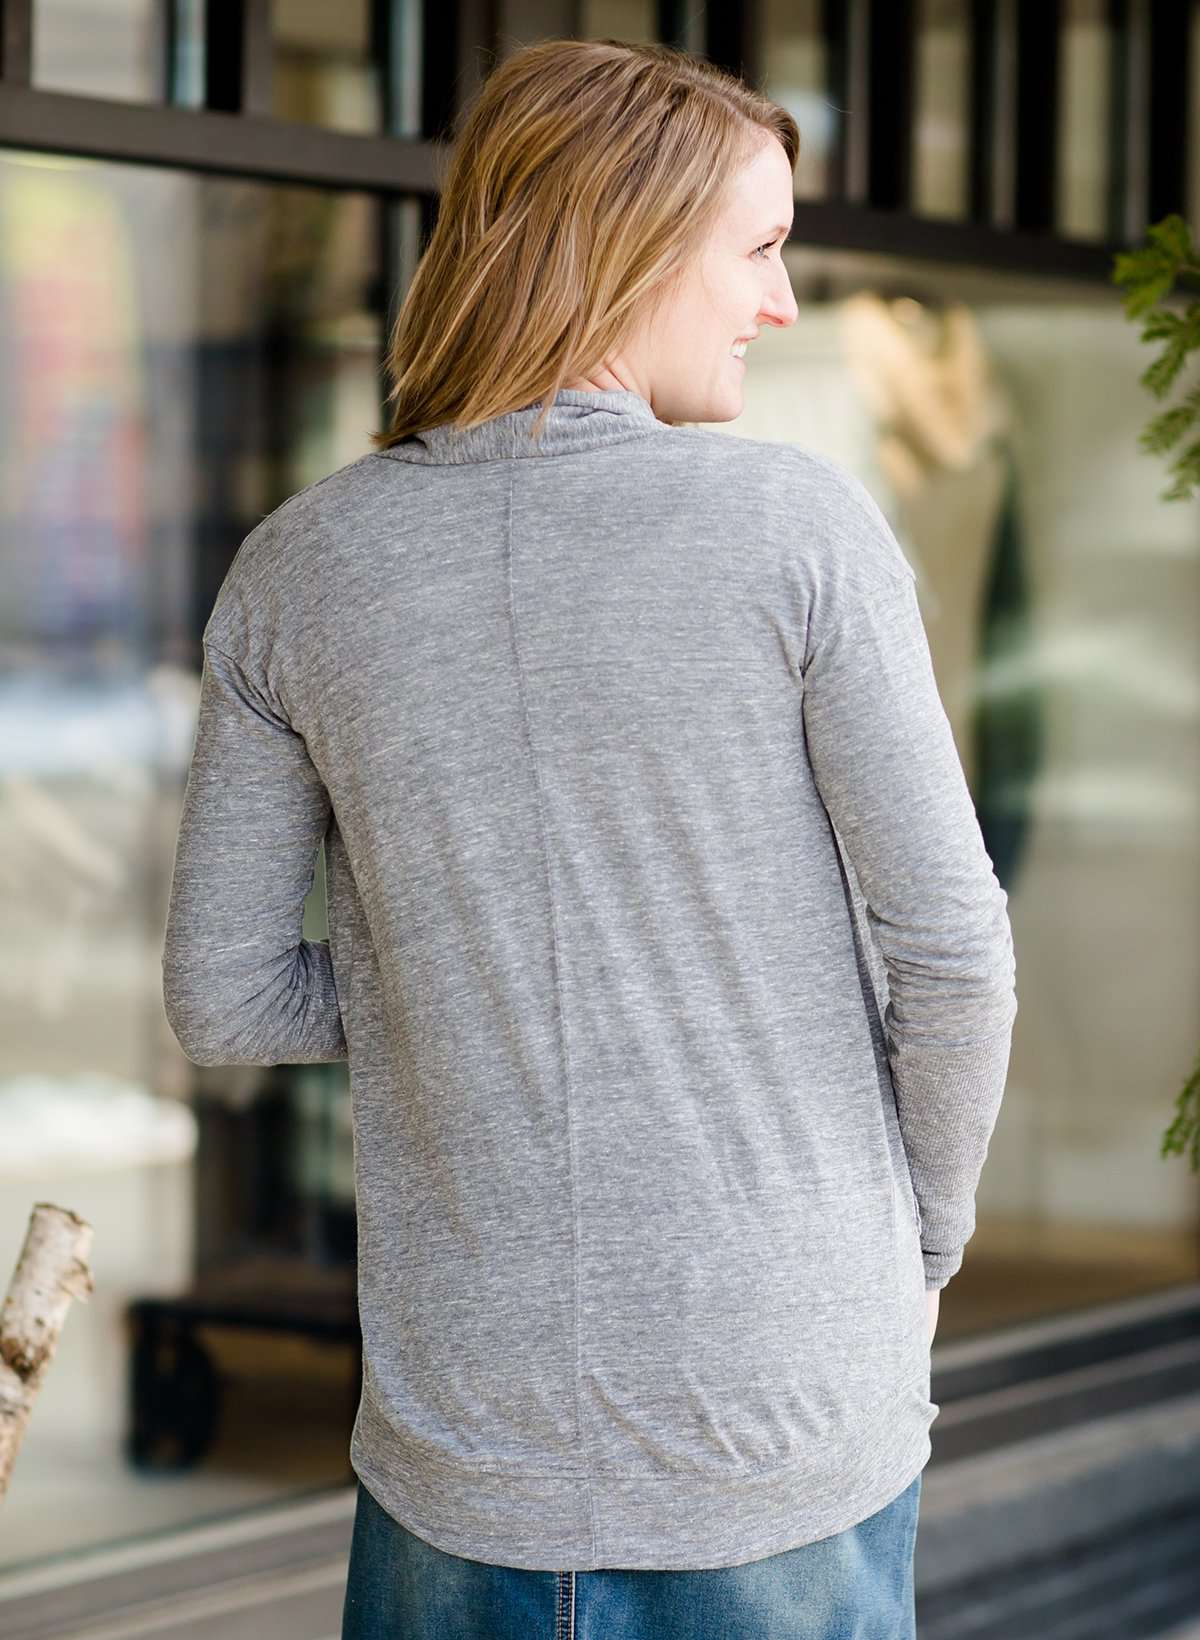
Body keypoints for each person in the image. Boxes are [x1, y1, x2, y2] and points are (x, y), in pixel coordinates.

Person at [161, 35, 1017, 1640]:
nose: (780, 303)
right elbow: (956, 955)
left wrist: (459, 971)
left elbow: (224, 994)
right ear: (624, 246)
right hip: (782, 1406)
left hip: (463, 1440)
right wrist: (928, 1250)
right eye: (758, 251)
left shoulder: (300, 570)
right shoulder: (798, 528)